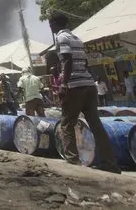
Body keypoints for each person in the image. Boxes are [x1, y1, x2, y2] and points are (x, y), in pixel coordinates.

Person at [49, 11, 120, 174]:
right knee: (96, 124)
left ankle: (73, 163)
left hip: (75, 87)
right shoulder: (77, 39)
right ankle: (110, 163)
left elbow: (67, 60)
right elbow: (85, 63)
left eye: (51, 24)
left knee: (67, 123)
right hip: (89, 85)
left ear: (54, 23)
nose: (51, 27)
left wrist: (64, 84)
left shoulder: (61, 38)